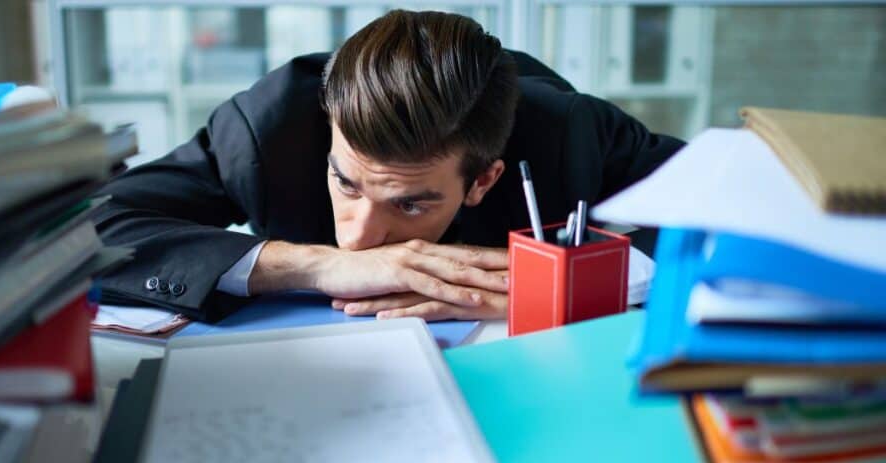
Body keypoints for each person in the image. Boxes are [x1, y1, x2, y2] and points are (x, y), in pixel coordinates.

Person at [92, 9, 682, 322]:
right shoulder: (266, 127)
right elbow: (92, 226)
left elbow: (724, 226)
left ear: (483, 180)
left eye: (410, 202)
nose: (358, 238)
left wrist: (571, 288)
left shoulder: (568, 133)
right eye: (345, 183)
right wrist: (312, 266)